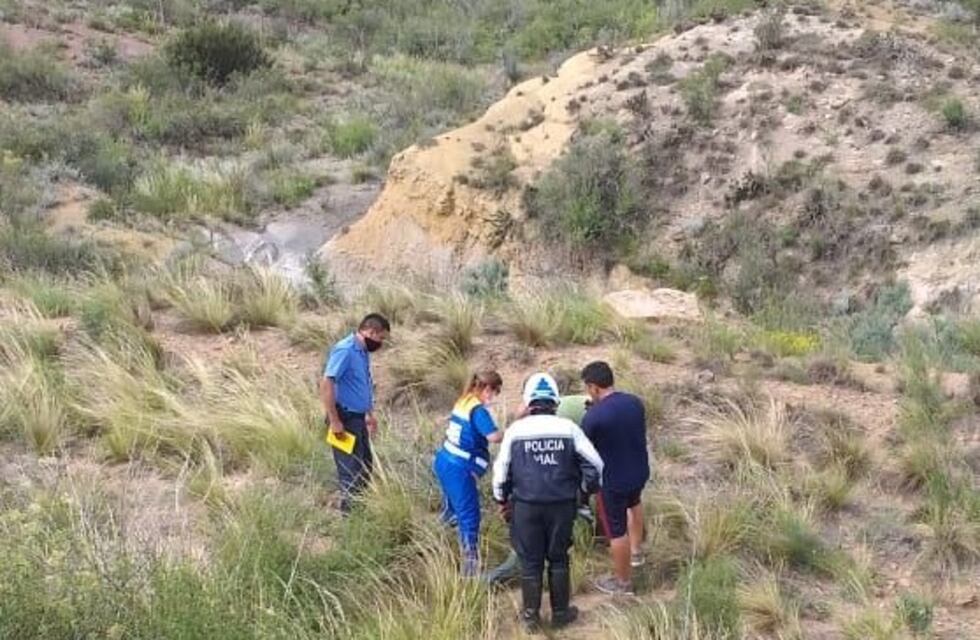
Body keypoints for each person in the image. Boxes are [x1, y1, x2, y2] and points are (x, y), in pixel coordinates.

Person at [492, 373, 604, 632]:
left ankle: (531, 618)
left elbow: (501, 472)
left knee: (530, 561)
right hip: (562, 505)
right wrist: (582, 493)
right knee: (559, 559)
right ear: (555, 402)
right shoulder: (569, 428)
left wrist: (502, 499)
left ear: (529, 402)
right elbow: (596, 465)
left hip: (526, 506)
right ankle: (561, 614)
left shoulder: (515, 431)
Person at [482, 391, 594, 586]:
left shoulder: (562, 424)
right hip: (557, 497)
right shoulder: (561, 416)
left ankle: (495, 584)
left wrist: (506, 501)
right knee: (555, 556)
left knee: (533, 557)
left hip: (548, 503)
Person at [581, 361, 650, 596]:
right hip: (638, 471)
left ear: (593, 387)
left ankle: (622, 583)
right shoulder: (635, 403)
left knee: (615, 530)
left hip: (612, 480)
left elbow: (583, 447)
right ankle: (637, 552)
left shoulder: (594, 416)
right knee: (635, 504)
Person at [433, 369, 504, 577]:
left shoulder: (463, 401)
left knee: (452, 510)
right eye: (495, 391)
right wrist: (510, 431)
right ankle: (470, 564)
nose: (494, 396)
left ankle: (436, 546)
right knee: (469, 516)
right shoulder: (478, 411)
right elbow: (493, 437)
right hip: (460, 468)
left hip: (445, 460)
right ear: (487, 388)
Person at [320, 313, 390, 514]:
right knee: (350, 471)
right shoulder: (345, 350)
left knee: (365, 467)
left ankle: (359, 512)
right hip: (344, 419)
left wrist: (369, 413)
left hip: (358, 419)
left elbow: (362, 383)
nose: (381, 343)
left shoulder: (362, 351)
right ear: (370, 332)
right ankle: (351, 519)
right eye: (381, 338)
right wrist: (334, 420)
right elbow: (327, 382)